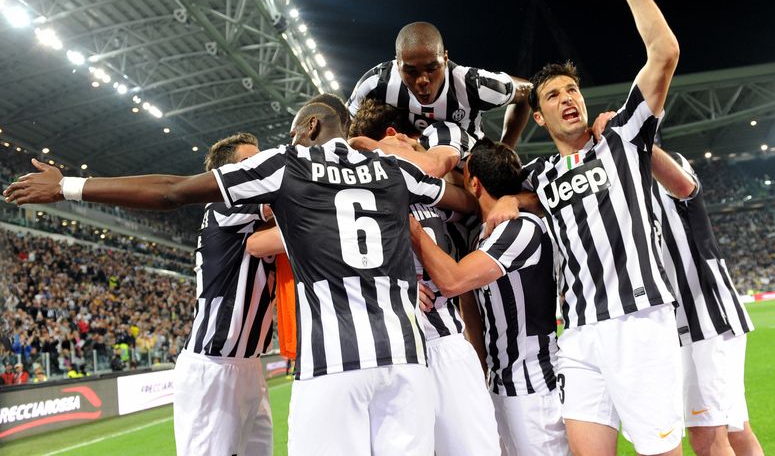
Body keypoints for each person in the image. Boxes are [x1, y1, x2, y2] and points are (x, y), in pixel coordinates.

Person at [3, 99, 474, 456]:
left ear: (309, 126)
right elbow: (458, 198)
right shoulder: (392, 171)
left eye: (290, 132)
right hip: (407, 362)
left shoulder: (286, 167)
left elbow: (171, 192)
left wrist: (68, 187)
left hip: (334, 364)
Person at [493, 0, 683, 456]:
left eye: (572, 90)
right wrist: (504, 203)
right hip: (577, 333)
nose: (567, 99)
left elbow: (664, 53)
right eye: (553, 96)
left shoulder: (623, 137)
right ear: (538, 117)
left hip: (639, 323)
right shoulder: (539, 175)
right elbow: (480, 184)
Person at [347, 99, 501, 455]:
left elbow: (467, 200)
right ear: (392, 135)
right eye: (409, 140)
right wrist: (390, 283)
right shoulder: (354, 197)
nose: (416, 144)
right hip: (391, 356)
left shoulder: (432, 189)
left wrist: (509, 202)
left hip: (444, 343)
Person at [410, 140, 569, 456]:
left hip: (533, 389)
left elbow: (453, 280)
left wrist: (409, 225)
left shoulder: (520, 228)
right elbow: (470, 306)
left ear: (474, 183)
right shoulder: (482, 232)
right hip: (500, 386)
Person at [648, 146, 764, 456]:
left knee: (707, 438)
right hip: (685, 325)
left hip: (705, 318)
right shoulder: (619, 187)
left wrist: (635, 139)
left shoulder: (666, 165)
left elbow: (685, 188)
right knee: (737, 431)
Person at [173, 133, 276, 456]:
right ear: (227, 176)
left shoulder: (254, 224)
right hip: (214, 366)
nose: (260, 169)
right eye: (250, 164)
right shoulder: (224, 204)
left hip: (250, 365)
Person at [347, 21, 533, 151]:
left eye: (432, 68)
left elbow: (528, 91)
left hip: (464, 167)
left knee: (446, 134)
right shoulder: (376, 82)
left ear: (445, 59)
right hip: (407, 163)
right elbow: (345, 125)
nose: (422, 80)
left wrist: (507, 147)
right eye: (411, 71)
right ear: (397, 64)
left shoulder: (473, 84)